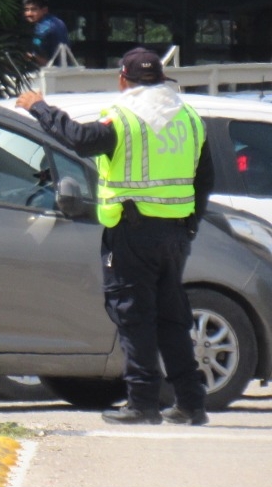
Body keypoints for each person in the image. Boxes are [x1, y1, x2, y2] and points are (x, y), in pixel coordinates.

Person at [16, 47, 213, 426]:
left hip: (132, 232)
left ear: (123, 79)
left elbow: (79, 139)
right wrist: (189, 226)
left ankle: (142, 402)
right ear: (161, 79)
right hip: (175, 234)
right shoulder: (189, 117)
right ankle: (191, 401)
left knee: (133, 313)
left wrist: (39, 106)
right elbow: (206, 180)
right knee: (172, 317)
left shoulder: (123, 117)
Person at [22, 0, 69, 67]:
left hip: (52, 72)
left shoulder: (42, 29)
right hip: (66, 68)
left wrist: (26, 56)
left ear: (44, 10)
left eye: (33, 9)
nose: (29, 13)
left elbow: (38, 56)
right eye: (26, 10)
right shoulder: (58, 21)